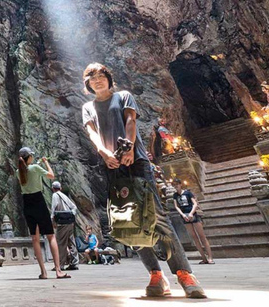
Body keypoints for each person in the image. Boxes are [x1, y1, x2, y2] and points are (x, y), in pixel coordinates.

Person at [81, 63, 206, 298]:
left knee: (157, 217)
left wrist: (128, 147)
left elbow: (131, 121)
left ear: (108, 78)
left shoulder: (123, 96)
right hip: (112, 167)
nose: (97, 81)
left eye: (101, 76)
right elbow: (92, 133)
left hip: (136, 161)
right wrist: (104, 153)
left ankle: (184, 274)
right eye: (92, 78)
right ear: (87, 84)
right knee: (128, 220)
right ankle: (156, 275)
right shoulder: (88, 107)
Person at [17, 147, 71, 279]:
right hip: (38, 202)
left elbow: (28, 171)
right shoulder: (35, 168)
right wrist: (46, 162)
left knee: (35, 238)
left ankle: (43, 272)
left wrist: (38, 164)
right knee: (50, 236)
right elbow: (51, 175)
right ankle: (58, 270)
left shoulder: (18, 171)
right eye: (32, 156)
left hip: (27, 203)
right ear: (29, 157)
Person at [171, 178, 213, 265]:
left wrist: (191, 213)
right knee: (194, 237)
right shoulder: (175, 195)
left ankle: (210, 257)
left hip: (192, 214)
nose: (176, 186)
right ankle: (203, 258)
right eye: (174, 185)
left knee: (202, 236)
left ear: (180, 184)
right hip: (184, 215)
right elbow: (177, 206)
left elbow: (195, 204)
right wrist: (182, 215)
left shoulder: (187, 193)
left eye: (177, 184)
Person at [50, 181, 79, 271]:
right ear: (60, 188)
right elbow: (74, 207)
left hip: (61, 223)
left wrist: (52, 220)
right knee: (71, 242)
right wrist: (70, 215)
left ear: (53, 188)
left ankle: (60, 265)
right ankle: (74, 263)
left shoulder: (55, 195)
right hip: (69, 222)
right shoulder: (64, 196)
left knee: (60, 243)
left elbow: (53, 208)